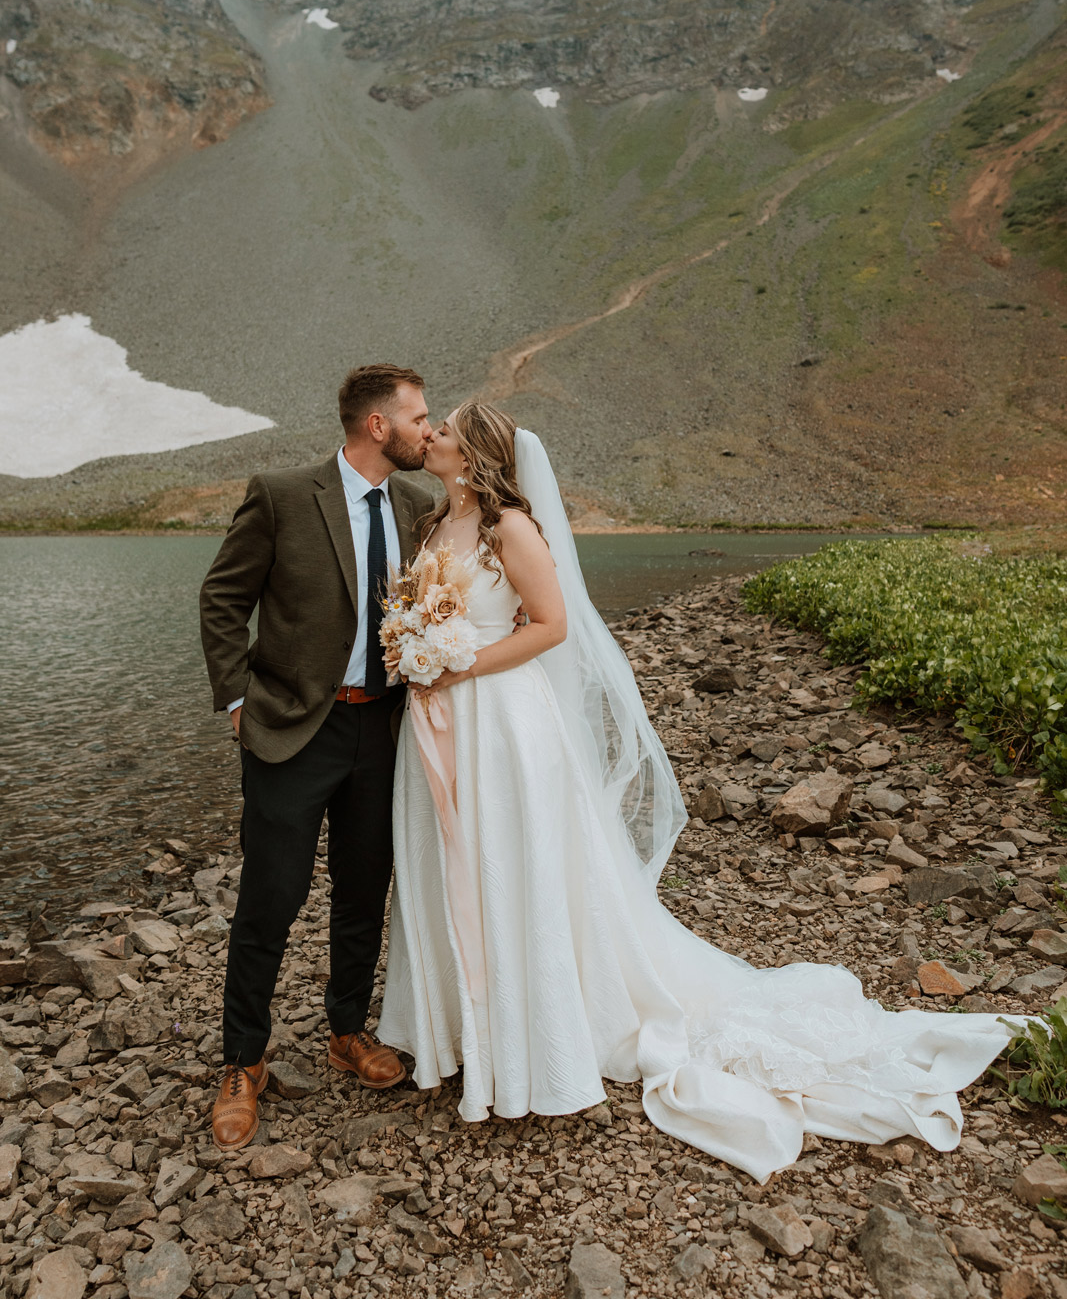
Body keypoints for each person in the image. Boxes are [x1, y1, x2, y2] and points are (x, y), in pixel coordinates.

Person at [378, 401, 1024, 1183]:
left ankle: (528, 1040)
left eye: (442, 429)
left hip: (504, 724)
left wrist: (459, 663)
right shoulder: (427, 525)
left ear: (475, 453)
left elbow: (549, 626)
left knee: (514, 866)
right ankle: (461, 1032)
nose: (430, 436)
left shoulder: (509, 529)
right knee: (452, 863)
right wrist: (415, 651)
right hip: (439, 722)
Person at [199, 364, 434, 1152]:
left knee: (365, 890)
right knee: (271, 898)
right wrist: (236, 703)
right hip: (292, 730)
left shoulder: (417, 503)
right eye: (419, 418)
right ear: (378, 426)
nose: (428, 432)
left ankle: (346, 1030)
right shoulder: (280, 493)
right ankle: (243, 1061)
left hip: (384, 730)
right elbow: (223, 599)